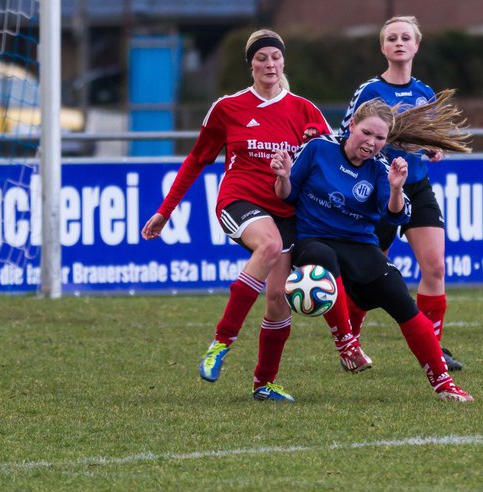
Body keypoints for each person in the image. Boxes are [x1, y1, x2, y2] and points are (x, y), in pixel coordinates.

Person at [140, 29, 360, 400]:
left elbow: (331, 163)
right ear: (251, 65)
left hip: (285, 208)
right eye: (261, 58)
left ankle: (264, 383)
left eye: (275, 57)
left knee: (278, 298)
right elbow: (197, 160)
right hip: (239, 201)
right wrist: (166, 211)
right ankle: (221, 342)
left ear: (283, 62)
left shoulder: (306, 111)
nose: (269, 64)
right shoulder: (228, 108)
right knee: (270, 244)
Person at [267, 95, 473, 402]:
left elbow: (394, 214)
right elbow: (286, 195)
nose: (372, 142)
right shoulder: (318, 149)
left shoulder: (381, 170)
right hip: (314, 240)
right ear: (352, 126)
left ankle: (443, 383)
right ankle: (346, 343)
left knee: (403, 301)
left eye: (380, 138)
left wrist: (396, 188)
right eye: (366, 133)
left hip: (360, 245)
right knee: (324, 259)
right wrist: (282, 177)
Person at [339, 16, 464, 370]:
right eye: (391, 38)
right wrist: (379, 146)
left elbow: (429, 137)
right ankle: (350, 344)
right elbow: (344, 136)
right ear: (383, 47)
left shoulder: (424, 92)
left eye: (405, 37)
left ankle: (433, 350)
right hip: (378, 189)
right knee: (366, 276)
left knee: (435, 266)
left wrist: (433, 149)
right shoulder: (369, 91)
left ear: (416, 45)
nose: (398, 42)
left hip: (417, 186)